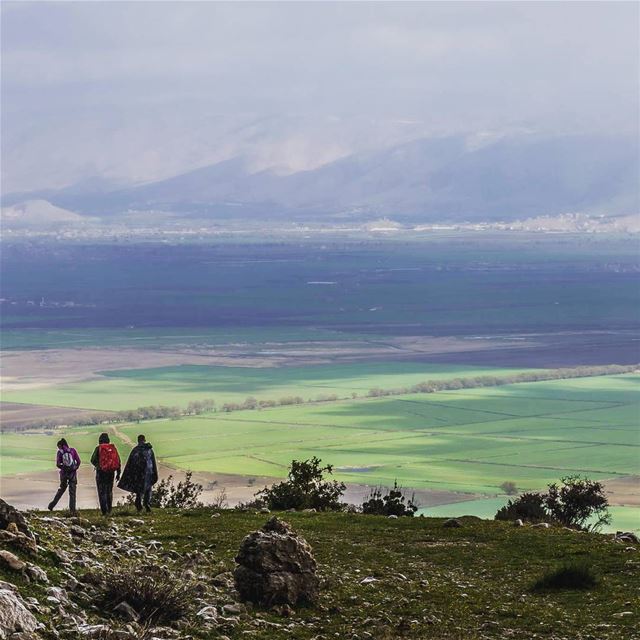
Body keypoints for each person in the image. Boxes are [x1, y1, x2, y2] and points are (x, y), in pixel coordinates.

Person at [118, 434, 158, 513]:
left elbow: (130, 464)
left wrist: (128, 476)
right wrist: (155, 473)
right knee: (148, 489)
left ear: (138, 441)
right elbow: (153, 462)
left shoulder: (135, 450)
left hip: (138, 474)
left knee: (139, 490)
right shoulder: (149, 449)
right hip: (149, 473)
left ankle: (139, 505)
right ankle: (147, 504)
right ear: (144, 440)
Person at [90, 433, 121, 515]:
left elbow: (92, 460)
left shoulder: (98, 448)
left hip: (101, 473)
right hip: (111, 473)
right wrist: (118, 473)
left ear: (100, 440)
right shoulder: (113, 448)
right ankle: (109, 510)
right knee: (109, 491)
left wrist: (99, 466)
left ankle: (104, 511)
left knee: (102, 492)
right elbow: (118, 461)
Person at [48, 438, 81, 515]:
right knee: (72, 493)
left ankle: (51, 505)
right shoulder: (73, 450)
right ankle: (72, 511)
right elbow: (79, 461)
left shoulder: (60, 453)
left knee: (61, 490)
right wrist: (74, 468)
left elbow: (58, 464)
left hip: (64, 475)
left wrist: (63, 468)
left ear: (60, 445)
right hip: (72, 474)